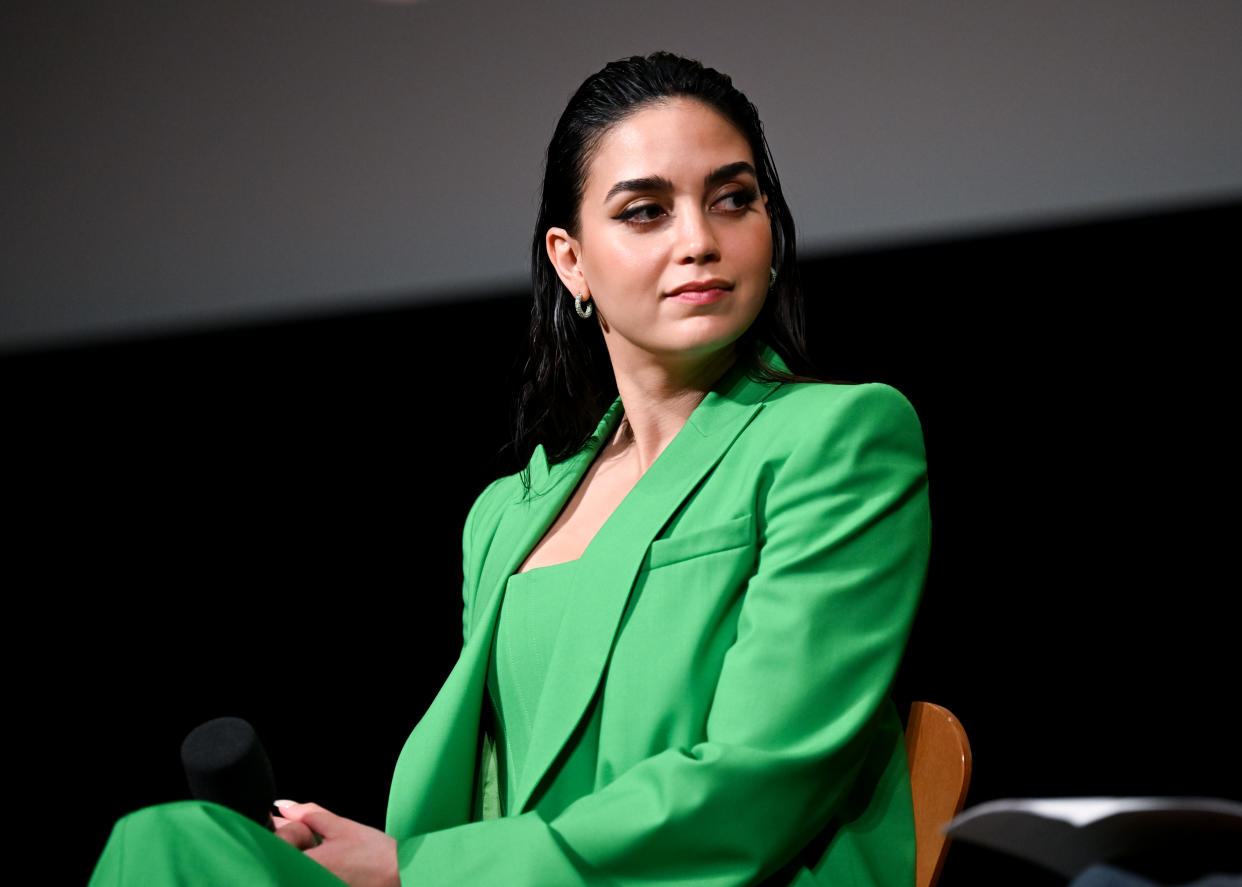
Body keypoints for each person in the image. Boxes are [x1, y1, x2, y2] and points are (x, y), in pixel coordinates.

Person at [90, 52, 929, 887]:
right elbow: (492, 798)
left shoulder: (838, 436)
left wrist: (416, 868)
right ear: (571, 262)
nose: (700, 241)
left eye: (734, 200)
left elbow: (761, 776)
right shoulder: (504, 515)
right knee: (170, 843)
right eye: (646, 212)